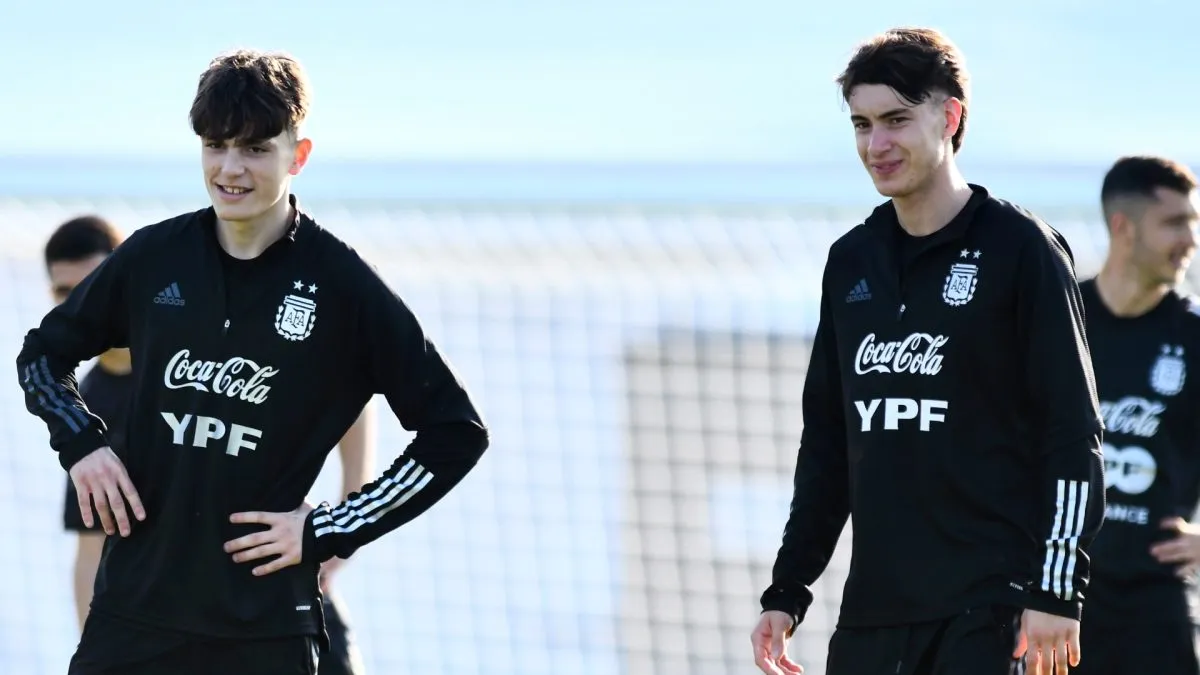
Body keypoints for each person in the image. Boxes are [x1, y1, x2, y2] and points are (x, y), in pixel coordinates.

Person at [16, 48, 489, 675]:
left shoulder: (342, 285)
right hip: (133, 619)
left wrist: (333, 527)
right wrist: (83, 444)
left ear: (299, 154)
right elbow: (42, 355)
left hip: (264, 632)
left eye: (256, 149)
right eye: (215, 146)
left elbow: (455, 432)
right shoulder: (154, 258)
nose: (230, 168)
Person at [750, 27, 1106, 675]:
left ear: (950, 117)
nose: (876, 145)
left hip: (991, 609)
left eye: (896, 120)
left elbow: (1073, 432)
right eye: (861, 124)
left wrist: (1057, 589)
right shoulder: (850, 261)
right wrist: (789, 587)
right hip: (872, 615)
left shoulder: (1022, 248)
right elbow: (828, 444)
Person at [1072, 155, 1200, 675]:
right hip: (1058, 598)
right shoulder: (1060, 322)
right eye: (1174, 223)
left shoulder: (1193, 336)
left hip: (1156, 604)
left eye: (1193, 223)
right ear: (1123, 228)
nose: (1190, 240)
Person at [42, 216, 131, 632]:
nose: (82, 304)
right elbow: (92, 546)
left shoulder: (194, 361)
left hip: (263, 608)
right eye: (66, 292)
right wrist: (90, 652)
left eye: (92, 284)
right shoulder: (84, 403)